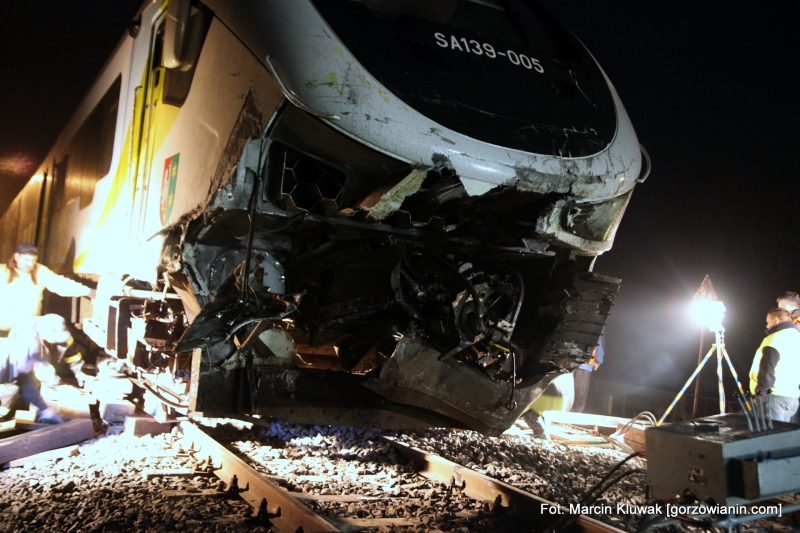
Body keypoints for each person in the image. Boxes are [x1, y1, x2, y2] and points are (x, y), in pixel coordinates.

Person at [0, 242, 94, 337]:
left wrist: (88, 291)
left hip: (28, 331)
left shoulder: (40, 271)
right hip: (3, 331)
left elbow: (59, 283)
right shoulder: (2, 271)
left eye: (33, 261)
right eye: (26, 259)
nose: (30, 264)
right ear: (16, 257)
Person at [0, 314, 77, 423]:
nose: (31, 368)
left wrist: (46, 411)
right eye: (31, 363)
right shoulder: (3, 361)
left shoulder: (23, 367)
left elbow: (30, 391)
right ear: (20, 356)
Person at [748, 308, 800, 422]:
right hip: (792, 397)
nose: (767, 326)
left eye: (768, 322)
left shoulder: (774, 338)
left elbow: (767, 368)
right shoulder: (797, 337)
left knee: (769, 436)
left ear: (775, 320)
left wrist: (761, 393)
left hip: (773, 396)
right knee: (781, 437)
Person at [572, 330, 604, 413]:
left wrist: (598, 360)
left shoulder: (594, 326)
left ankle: (574, 416)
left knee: (579, 394)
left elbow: (599, 341)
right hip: (569, 363)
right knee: (567, 392)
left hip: (584, 365)